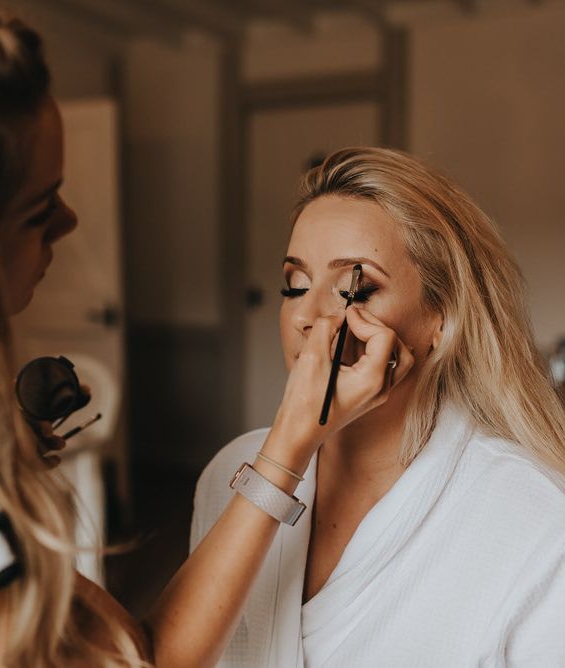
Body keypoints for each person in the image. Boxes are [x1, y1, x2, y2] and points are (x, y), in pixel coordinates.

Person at [0, 3, 405, 667]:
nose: (70, 221)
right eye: (38, 210)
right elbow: (148, 660)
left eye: (356, 287)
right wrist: (291, 442)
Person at [191, 146, 565, 666]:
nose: (307, 315)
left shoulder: (537, 522)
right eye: (294, 285)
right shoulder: (228, 477)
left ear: (442, 319)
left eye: (356, 290)